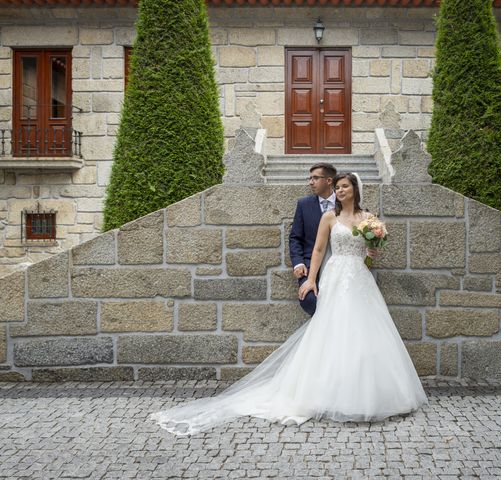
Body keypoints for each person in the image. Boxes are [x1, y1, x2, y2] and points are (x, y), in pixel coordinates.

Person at [150, 173, 428, 435]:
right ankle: (326, 393)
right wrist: (311, 280)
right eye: (338, 187)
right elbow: (318, 250)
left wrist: (372, 251)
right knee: (332, 329)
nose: (341, 190)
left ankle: (371, 394)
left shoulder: (369, 219)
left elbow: (372, 256)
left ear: (355, 189)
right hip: (336, 275)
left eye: (345, 186)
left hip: (360, 276)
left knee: (365, 331)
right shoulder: (330, 217)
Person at [289, 162, 337, 316]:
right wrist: (298, 263)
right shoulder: (303, 204)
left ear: (329, 180)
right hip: (310, 265)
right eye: (310, 178)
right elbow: (295, 237)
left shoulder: (345, 203)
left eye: (315, 178)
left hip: (339, 264)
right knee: (308, 300)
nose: (311, 182)